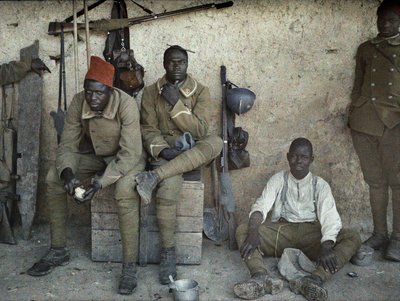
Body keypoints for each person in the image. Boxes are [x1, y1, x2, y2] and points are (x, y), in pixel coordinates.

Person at [27, 56, 146, 295]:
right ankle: (58, 249)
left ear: (110, 90)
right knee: (54, 177)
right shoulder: (78, 101)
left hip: (126, 159)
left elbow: (131, 152)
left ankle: (129, 266)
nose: (92, 98)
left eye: (99, 93)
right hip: (96, 156)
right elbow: (68, 145)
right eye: (88, 91)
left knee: (124, 192)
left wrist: (101, 182)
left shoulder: (126, 104)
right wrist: (69, 173)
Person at [136, 45, 222, 284]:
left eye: (181, 62)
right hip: (165, 154)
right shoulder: (152, 92)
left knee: (215, 142)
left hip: (190, 153)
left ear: (187, 64)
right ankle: (168, 253)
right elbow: (148, 129)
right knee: (168, 191)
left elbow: (201, 130)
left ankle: (154, 176)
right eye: (171, 62)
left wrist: (176, 104)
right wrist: (164, 150)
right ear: (164, 64)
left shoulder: (201, 91)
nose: (176, 66)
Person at [234, 138, 361, 301]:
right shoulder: (279, 179)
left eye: (304, 157)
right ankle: (260, 278)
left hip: (312, 235)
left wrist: (327, 244)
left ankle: (314, 280)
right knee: (244, 230)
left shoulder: (320, 185)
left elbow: (330, 218)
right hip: (282, 232)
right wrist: (253, 233)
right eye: (294, 156)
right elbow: (260, 207)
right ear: (287, 157)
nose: (298, 160)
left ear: (312, 159)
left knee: (352, 237)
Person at [348, 0, 400, 261]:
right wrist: (355, 109)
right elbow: (357, 85)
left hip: (394, 123)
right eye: (382, 19)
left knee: (398, 183)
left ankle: (398, 239)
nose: (385, 24)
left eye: (391, 20)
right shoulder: (366, 49)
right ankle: (380, 234)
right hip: (365, 123)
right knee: (375, 181)